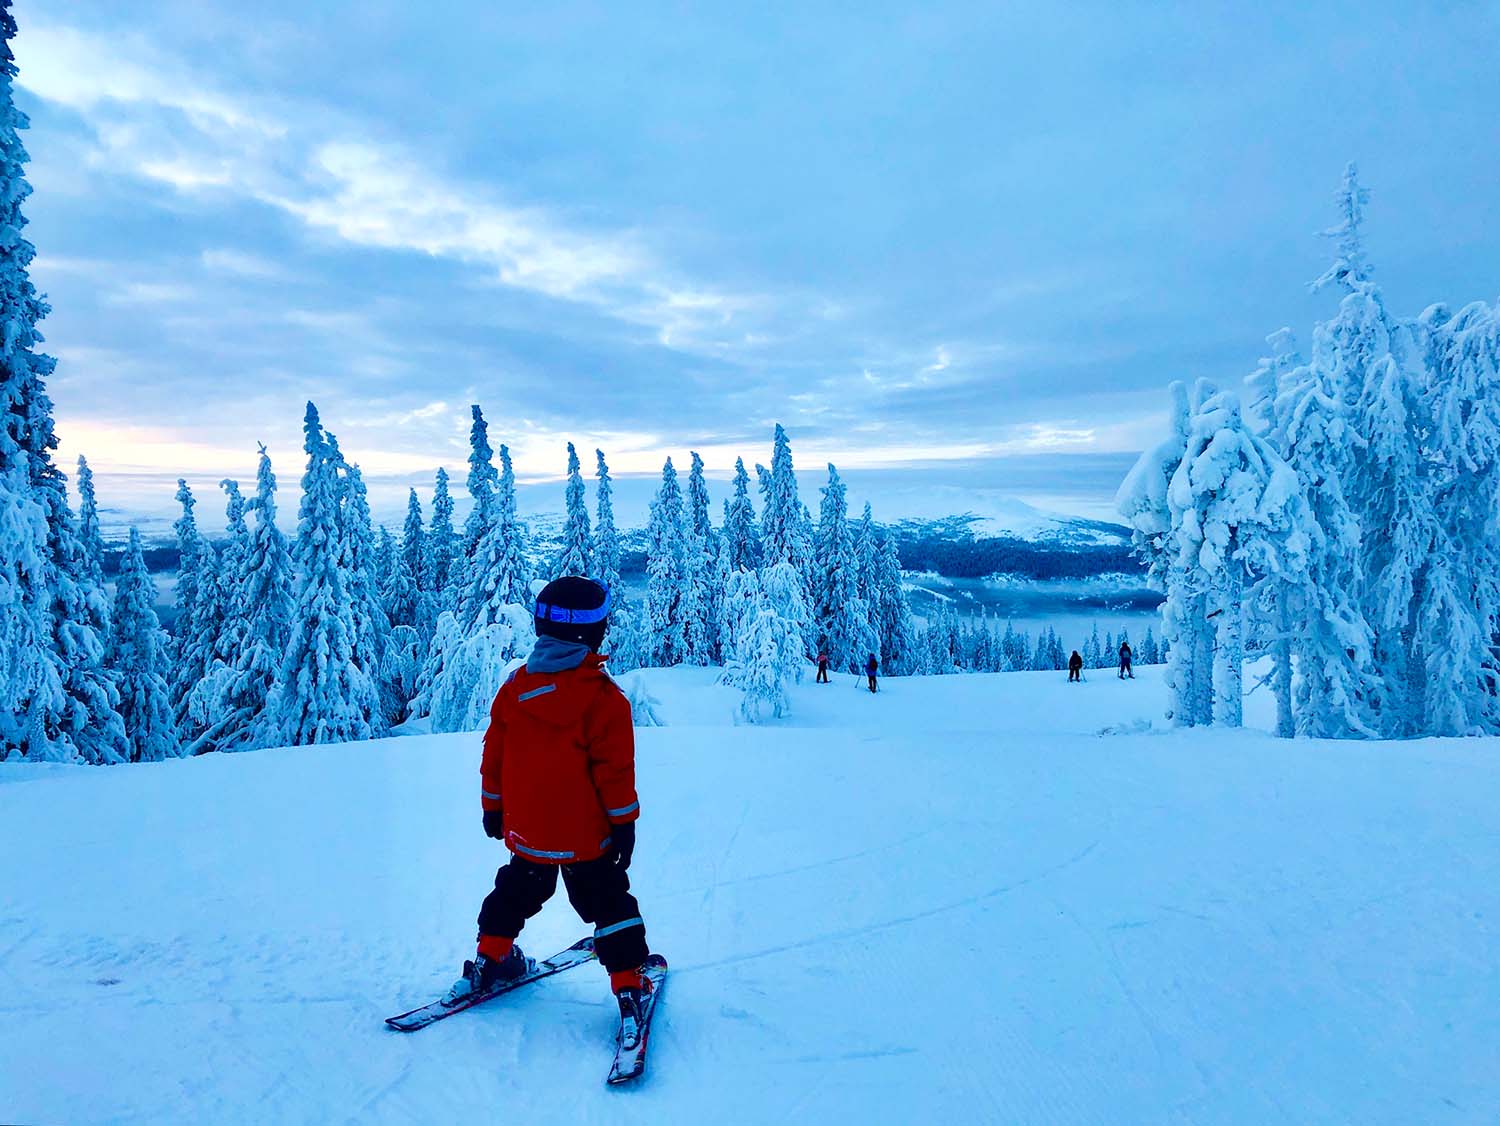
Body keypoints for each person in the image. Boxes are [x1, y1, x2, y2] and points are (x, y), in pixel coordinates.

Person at [446, 576, 655, 1037]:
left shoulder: (515, 689)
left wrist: (493, 808)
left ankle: (492, 957)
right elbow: (614, 775)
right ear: (596, 634)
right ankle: (628, 982)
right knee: (607, 901)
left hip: (528, 833)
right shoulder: (605, 702)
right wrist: (624, 825)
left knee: (517, 889)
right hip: (586, 838)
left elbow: (494, 756)